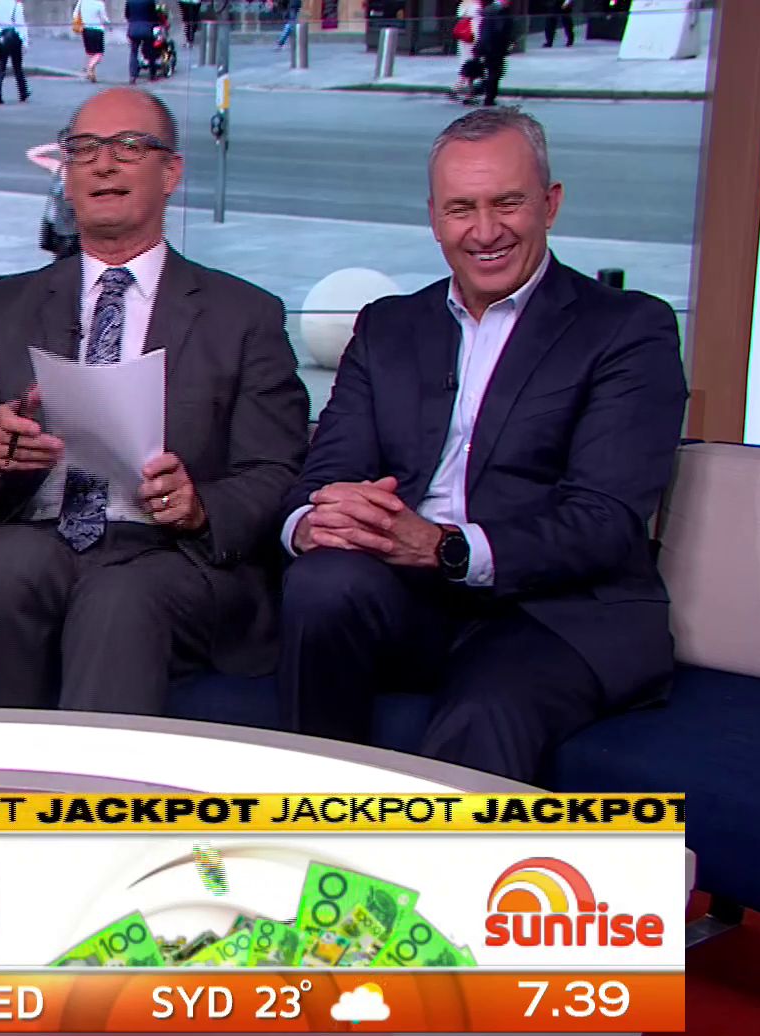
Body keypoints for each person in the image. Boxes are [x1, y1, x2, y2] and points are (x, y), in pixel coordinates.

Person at [276, 108, 688, 782]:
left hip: (557, 613)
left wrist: (445, 546)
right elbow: (325, 473)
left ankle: (445, 857)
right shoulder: (388, 327)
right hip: (412, 598)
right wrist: (318, 522)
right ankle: (319, 826)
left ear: (550, 204)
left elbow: (605, 520)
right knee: (322, 585)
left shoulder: (627, 329)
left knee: (484, 711)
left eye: (508, 203)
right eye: (462, 209)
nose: (486, 230)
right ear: (435, 218)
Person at [0, 88, 310, 715]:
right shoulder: (1, 309)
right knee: (1, 571)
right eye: (84, 149)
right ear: (67, 175)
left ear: (171, 173)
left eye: (129, 146)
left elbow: (277, 470)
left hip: (172, 555)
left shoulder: (245, 316)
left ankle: (90, 785)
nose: (104, 163)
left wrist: (200, 506)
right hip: (34, 533)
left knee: (120, 598)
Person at [0, 0, 30, 105]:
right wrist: (25, 42)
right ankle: (22, 93)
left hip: (0, 37)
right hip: (13, 36)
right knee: (17, 66)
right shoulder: (16, 4)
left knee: (1, 67)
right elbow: (21, 25)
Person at [475, 0, 516, 106]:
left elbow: (482, 28)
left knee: (490, 71)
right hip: (496, 47)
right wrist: (509, 42)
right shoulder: (501, 11)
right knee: (495, 73)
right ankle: (489, 97)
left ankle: (485, 92)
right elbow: (500, 30)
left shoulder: (488, 9)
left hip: (486, 45)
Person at [452, 0, 484, 104]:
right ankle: (468, 95)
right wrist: (478, 42)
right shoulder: (476, 7)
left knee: (467, 67)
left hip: (464, 41)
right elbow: (476, 26)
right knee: (471, 69)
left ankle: (458, 90)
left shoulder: (463, 5)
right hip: (472, 42)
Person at [125, 0, 160, 83]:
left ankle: (133, 76)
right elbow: (154, 15)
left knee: (134, 53)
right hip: (147, 28)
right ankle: (152, 75)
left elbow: (127, 15)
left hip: (133, 28)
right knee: (150, 52)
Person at [74, 0, 108, 82]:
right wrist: (108, 23)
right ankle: (90, 68)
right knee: (99, 53)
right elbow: (103, 18)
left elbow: (75, 14)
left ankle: (92, 74)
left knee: (90, 53)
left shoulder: (82, 1)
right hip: (98, 30)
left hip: (86, 30)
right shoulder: (100, 4)